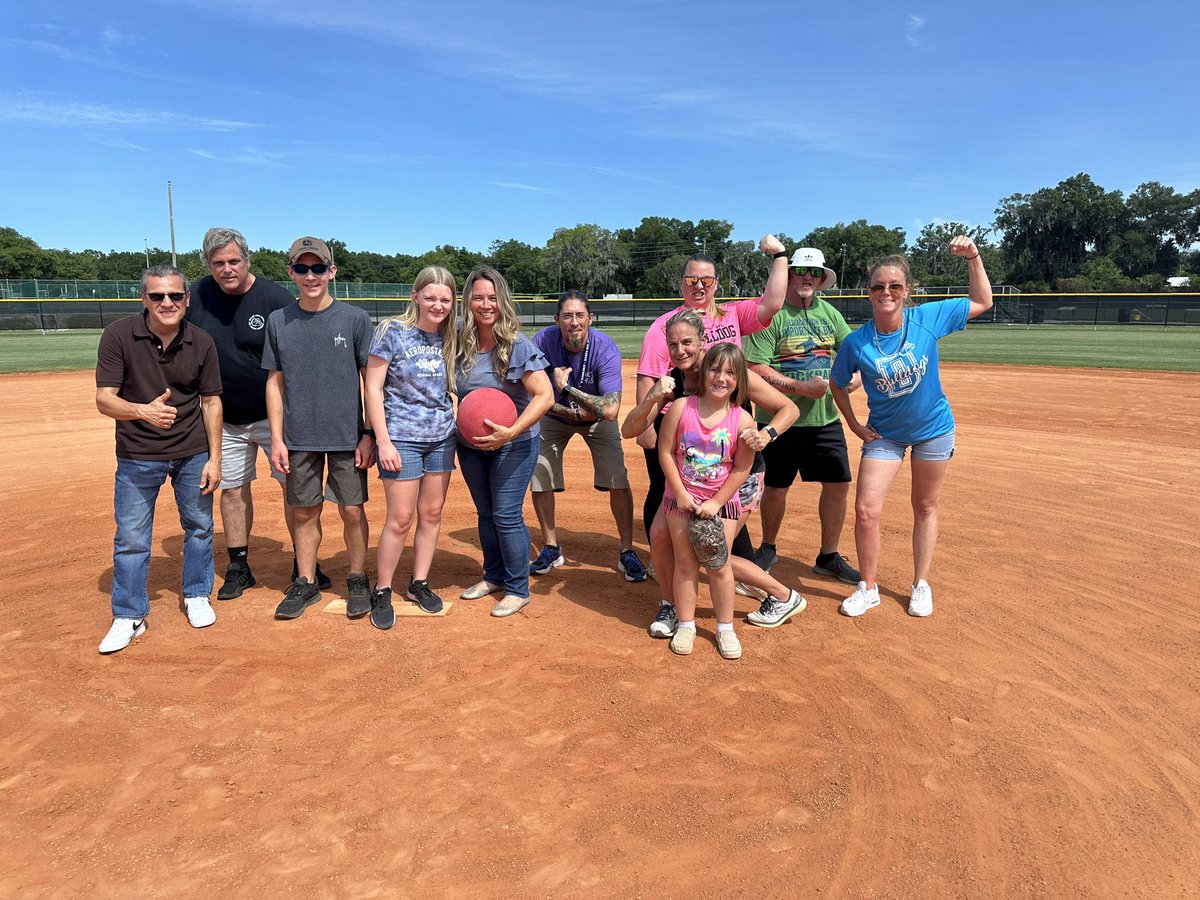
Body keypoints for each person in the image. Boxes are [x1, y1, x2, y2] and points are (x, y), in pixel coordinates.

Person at [830, 235, 993, 618]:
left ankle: (920, 583)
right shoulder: (856, 342)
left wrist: (973, 257)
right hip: (885, 434)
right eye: (878, 286)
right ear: (868, 293)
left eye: (895, 286)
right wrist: (853, 423)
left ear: (907, 290)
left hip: (934, 429)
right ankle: (867, 587)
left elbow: (984, 301)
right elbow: (838, 383)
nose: (886, 292)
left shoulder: (927, 319)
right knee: (867, 509)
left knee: (924, 505)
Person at [622, 309, 802, 636]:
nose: (680, 351)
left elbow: (788, 408)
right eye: (673, 345)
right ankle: (671, 605)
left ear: (702, 341)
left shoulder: (726, 373)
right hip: (692, 482)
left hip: (738, 477)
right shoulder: (672, 384)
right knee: (661, 536)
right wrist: (652, 396)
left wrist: (767, 434)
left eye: (687, 342)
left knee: (708, 549)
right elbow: (630, 429)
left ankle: (783, 595)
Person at [186, 227, 324, 600]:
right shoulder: (195, 296)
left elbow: (298, 354)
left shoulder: (274, 297)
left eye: (234, 261)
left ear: (247, 260)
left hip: (274, 416)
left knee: (294, 489)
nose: (227, 269)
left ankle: (304, 562)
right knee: (231, 490)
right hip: (223, 417)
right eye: (218, 263)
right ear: (208, 265)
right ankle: (239, 565)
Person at [95, 265, 223, 654]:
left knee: (200, 526)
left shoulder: (201, 341)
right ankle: (129, 614)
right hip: (138, 454)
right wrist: (143, 411)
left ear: (187, 299)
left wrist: (214, 458)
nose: (166, 303)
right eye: (157, 296)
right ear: (144, 299)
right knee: (132, 538)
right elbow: (104, 399)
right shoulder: (118, 334)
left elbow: (212, 401)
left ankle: (196, 594)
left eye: (175, 296)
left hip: (191, 451)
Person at [634, 237, 789, 543]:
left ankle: (726, 552)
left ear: (716, 284)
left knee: (723, 486)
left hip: (727, 416)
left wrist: (781, 255)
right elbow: (648, 375)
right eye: (692, 279)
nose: (699, 285)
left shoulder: (732, 314)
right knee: (665, 486)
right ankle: (662, 551)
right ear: (682, 284)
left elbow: (772, 303)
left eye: (706, 280)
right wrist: (646, 426)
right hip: (677, 418)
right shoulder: (666, 325)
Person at [263, 237, 376, 621]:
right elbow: (274, 383)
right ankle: (306, 581)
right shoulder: (279, 321)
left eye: (318, 268)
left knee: (351, 510)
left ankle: (358, 577)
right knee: (304, 512)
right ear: (290, 272)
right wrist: (276, 438)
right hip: (298, 436)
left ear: (332, 271)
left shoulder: (355, 319)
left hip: (347, 436)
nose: (310, 276)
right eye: (301, 268)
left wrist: (369, 434)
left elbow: (370, 382)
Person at [744, 246, 862, 585]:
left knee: (838, 484)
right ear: (790, 274)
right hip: (780, 418)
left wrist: (853, 376)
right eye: (800, 272)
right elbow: (756, 367)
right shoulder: (773, 314)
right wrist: (799, 387)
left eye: (814, 273)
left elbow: (852, 350)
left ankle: (828, 556)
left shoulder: (830, 313)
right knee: (777, 487)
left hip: (825, 419)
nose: (807, 278)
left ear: (822, 278)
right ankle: (767, 546)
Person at [454, 266, 554, 619]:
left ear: (503, 301)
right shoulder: (459, 340)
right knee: (485, 513)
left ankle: (517, 588)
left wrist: (510, 432)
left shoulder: (516, 344)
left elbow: (544, 396)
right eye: (478, 297)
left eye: (492, 298)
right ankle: (494, 575)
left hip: (515, 443)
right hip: (471, 445)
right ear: (468, 301)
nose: (485, 304)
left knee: (506, 514)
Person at [363, 266, 459, 630]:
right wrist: (381, 439)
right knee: (400, 519)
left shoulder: (450, 336)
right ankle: (383, 589)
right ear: (415, 296)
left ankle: (419, 583)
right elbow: (373, 387)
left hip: (441, 436)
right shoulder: (392, 331)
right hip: (401, 437)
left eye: (445, 299)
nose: (437, 305)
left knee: (431, 515)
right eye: (431, 297)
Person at [529, 290, 647, 582]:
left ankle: (627, 551)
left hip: (595, 419)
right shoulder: (542, 342)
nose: (574, 322)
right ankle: (551, 547)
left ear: (590, 318)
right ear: (556, 319)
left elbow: (610, 410)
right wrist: (566, 410)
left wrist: (568, 390)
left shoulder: (605, 349)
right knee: (539, 473)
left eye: (580, 315)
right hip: (554, 415)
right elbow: (531, 392)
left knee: (617, 478)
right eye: (567, 315)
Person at [658, 343, 755, 659]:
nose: (721, 377)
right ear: (704, 371)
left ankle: (725, 627)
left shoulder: (742, 420)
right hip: (680, 500)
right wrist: (681, 493)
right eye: (715, 369)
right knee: (685, 564)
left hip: (720, 504)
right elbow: (666, 453)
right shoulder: (681, 408)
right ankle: (686, 624)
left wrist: (716, 501)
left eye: (730, 372)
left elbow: (742, 467)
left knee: (718, 565)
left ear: (739, 379)